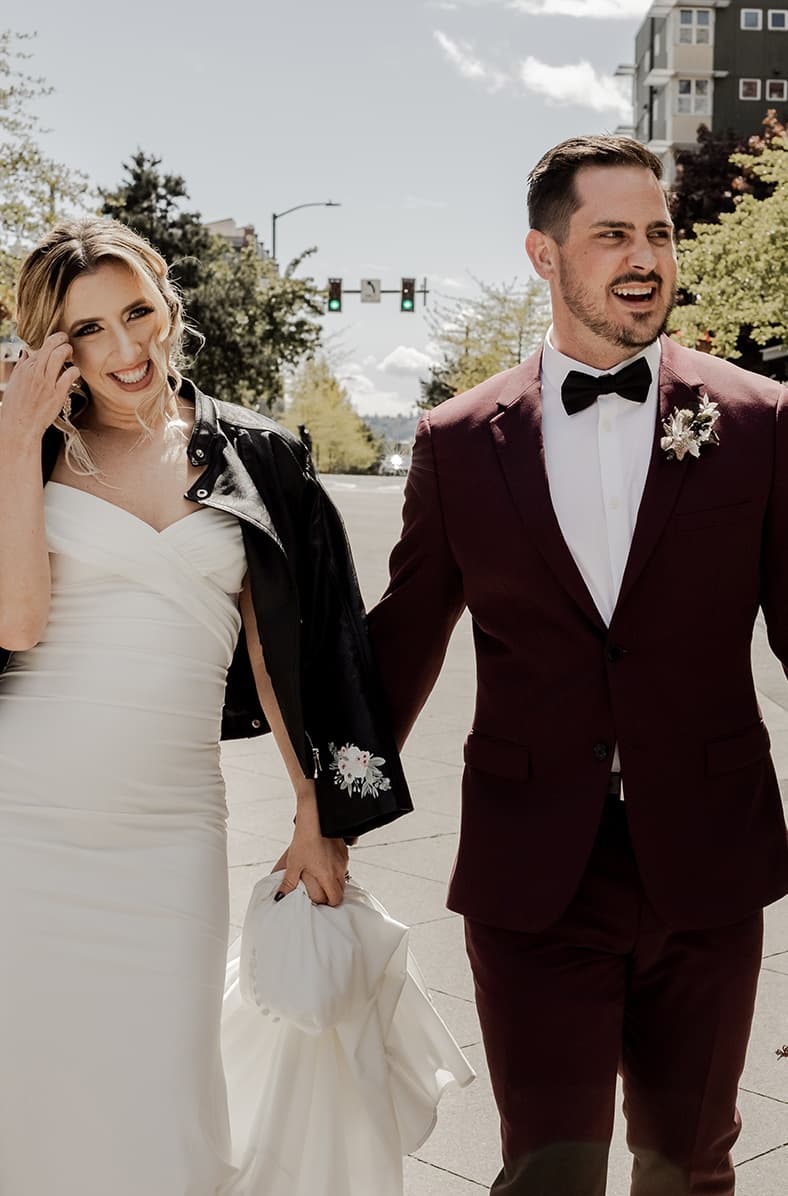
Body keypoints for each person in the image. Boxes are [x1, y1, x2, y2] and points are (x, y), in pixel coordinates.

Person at [367, 135, 788, 1196]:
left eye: (656, 232)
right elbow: (399, 644)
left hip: (704, 856)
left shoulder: (758, 422)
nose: (642, 255)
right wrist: (317, 813)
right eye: (610, 235)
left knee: (686, 1164)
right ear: (542, 255)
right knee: (546, 1170)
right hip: (532, 869)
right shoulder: (459, 441)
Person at [0, 215, 441, 1195]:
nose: (124, 348)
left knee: (161, 1094)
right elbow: (17, 622)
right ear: (50, 345)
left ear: (168, 304)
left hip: (168, 835)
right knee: (28, 1094)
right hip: (20, 827)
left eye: (137, 312)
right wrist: (14, 437)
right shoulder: (21, 452)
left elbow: (287, 642)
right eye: (87, 330)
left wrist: (316, 809)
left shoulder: (256, 456)